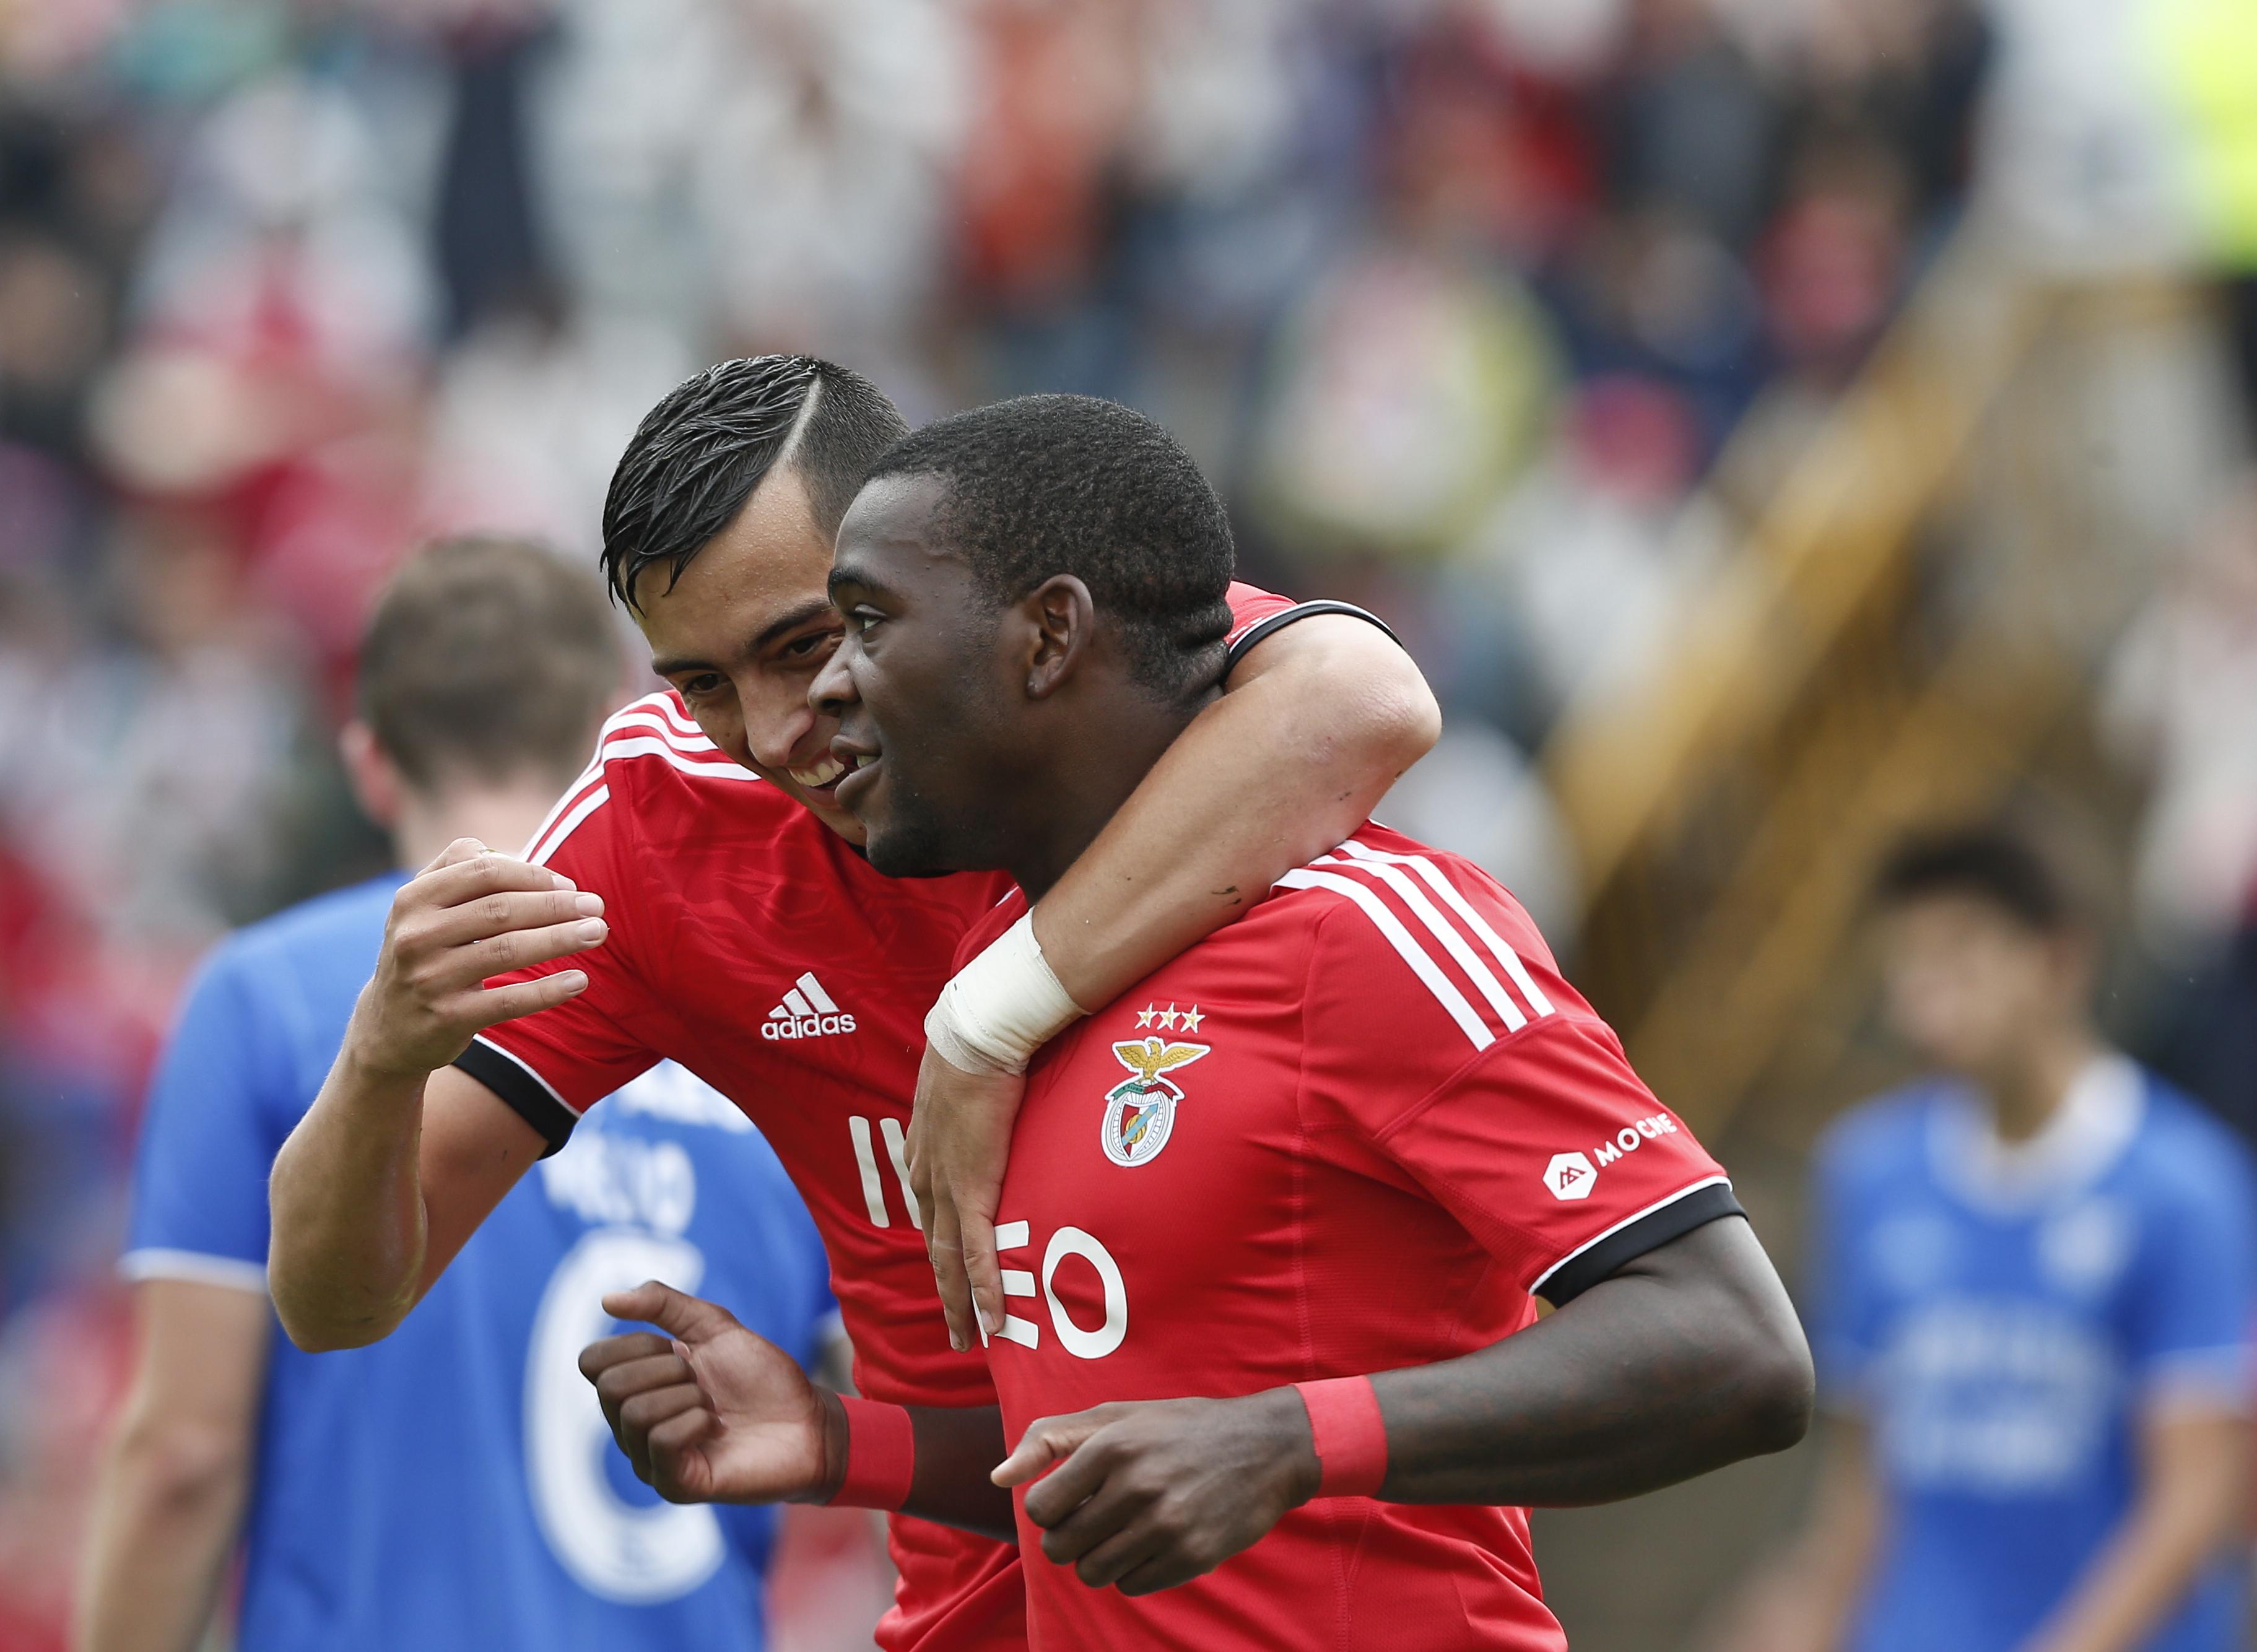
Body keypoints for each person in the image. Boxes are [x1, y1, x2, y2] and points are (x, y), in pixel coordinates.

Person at [580, 394, 1814, 1650]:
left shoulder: (1362, 930)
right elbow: (1132, 1459)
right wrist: (841, 1443)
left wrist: (1290, 1439)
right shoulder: (1000, 991)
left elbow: (1733, 1345)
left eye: (865, 627)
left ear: (1045, 637)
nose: (821, 695)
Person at [264, 355, 1442, 1652]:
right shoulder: (650, 834)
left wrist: (984, 1021)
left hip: (1329, 1599)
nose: (774, 733)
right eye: (704, 685)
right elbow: (335, 1302)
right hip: (980, 1608)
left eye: (805, 644)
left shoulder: (1096, 682)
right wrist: (378, 1057)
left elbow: (1366, 697)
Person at [73, 540, 838, 1652]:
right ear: (611, 730)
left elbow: (184, 1457)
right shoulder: (771, 997)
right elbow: (903, 1407)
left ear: (369, 762)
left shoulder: (266, 998)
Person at [1718, 827, 2255, 1652]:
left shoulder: (2188, 1187)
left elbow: (2197, 1496)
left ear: (2060, 960)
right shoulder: (1866, 1173)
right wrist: (1811, 1613)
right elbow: (1863, 1478)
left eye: (1960, 955)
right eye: (1907, 964)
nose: (1925, 998)